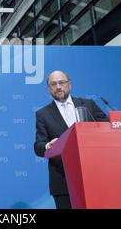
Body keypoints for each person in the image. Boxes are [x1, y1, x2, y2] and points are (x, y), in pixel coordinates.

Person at [34, 70, 107, 209]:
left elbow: (107, 126)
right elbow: (38, 146)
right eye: (53, 84)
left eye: (61, 82)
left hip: (95, 175)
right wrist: (49, 145)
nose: (58, 87)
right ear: (48, 88)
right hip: (63, 182)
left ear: (70, 84)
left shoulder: (88, 104)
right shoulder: (43, 114)